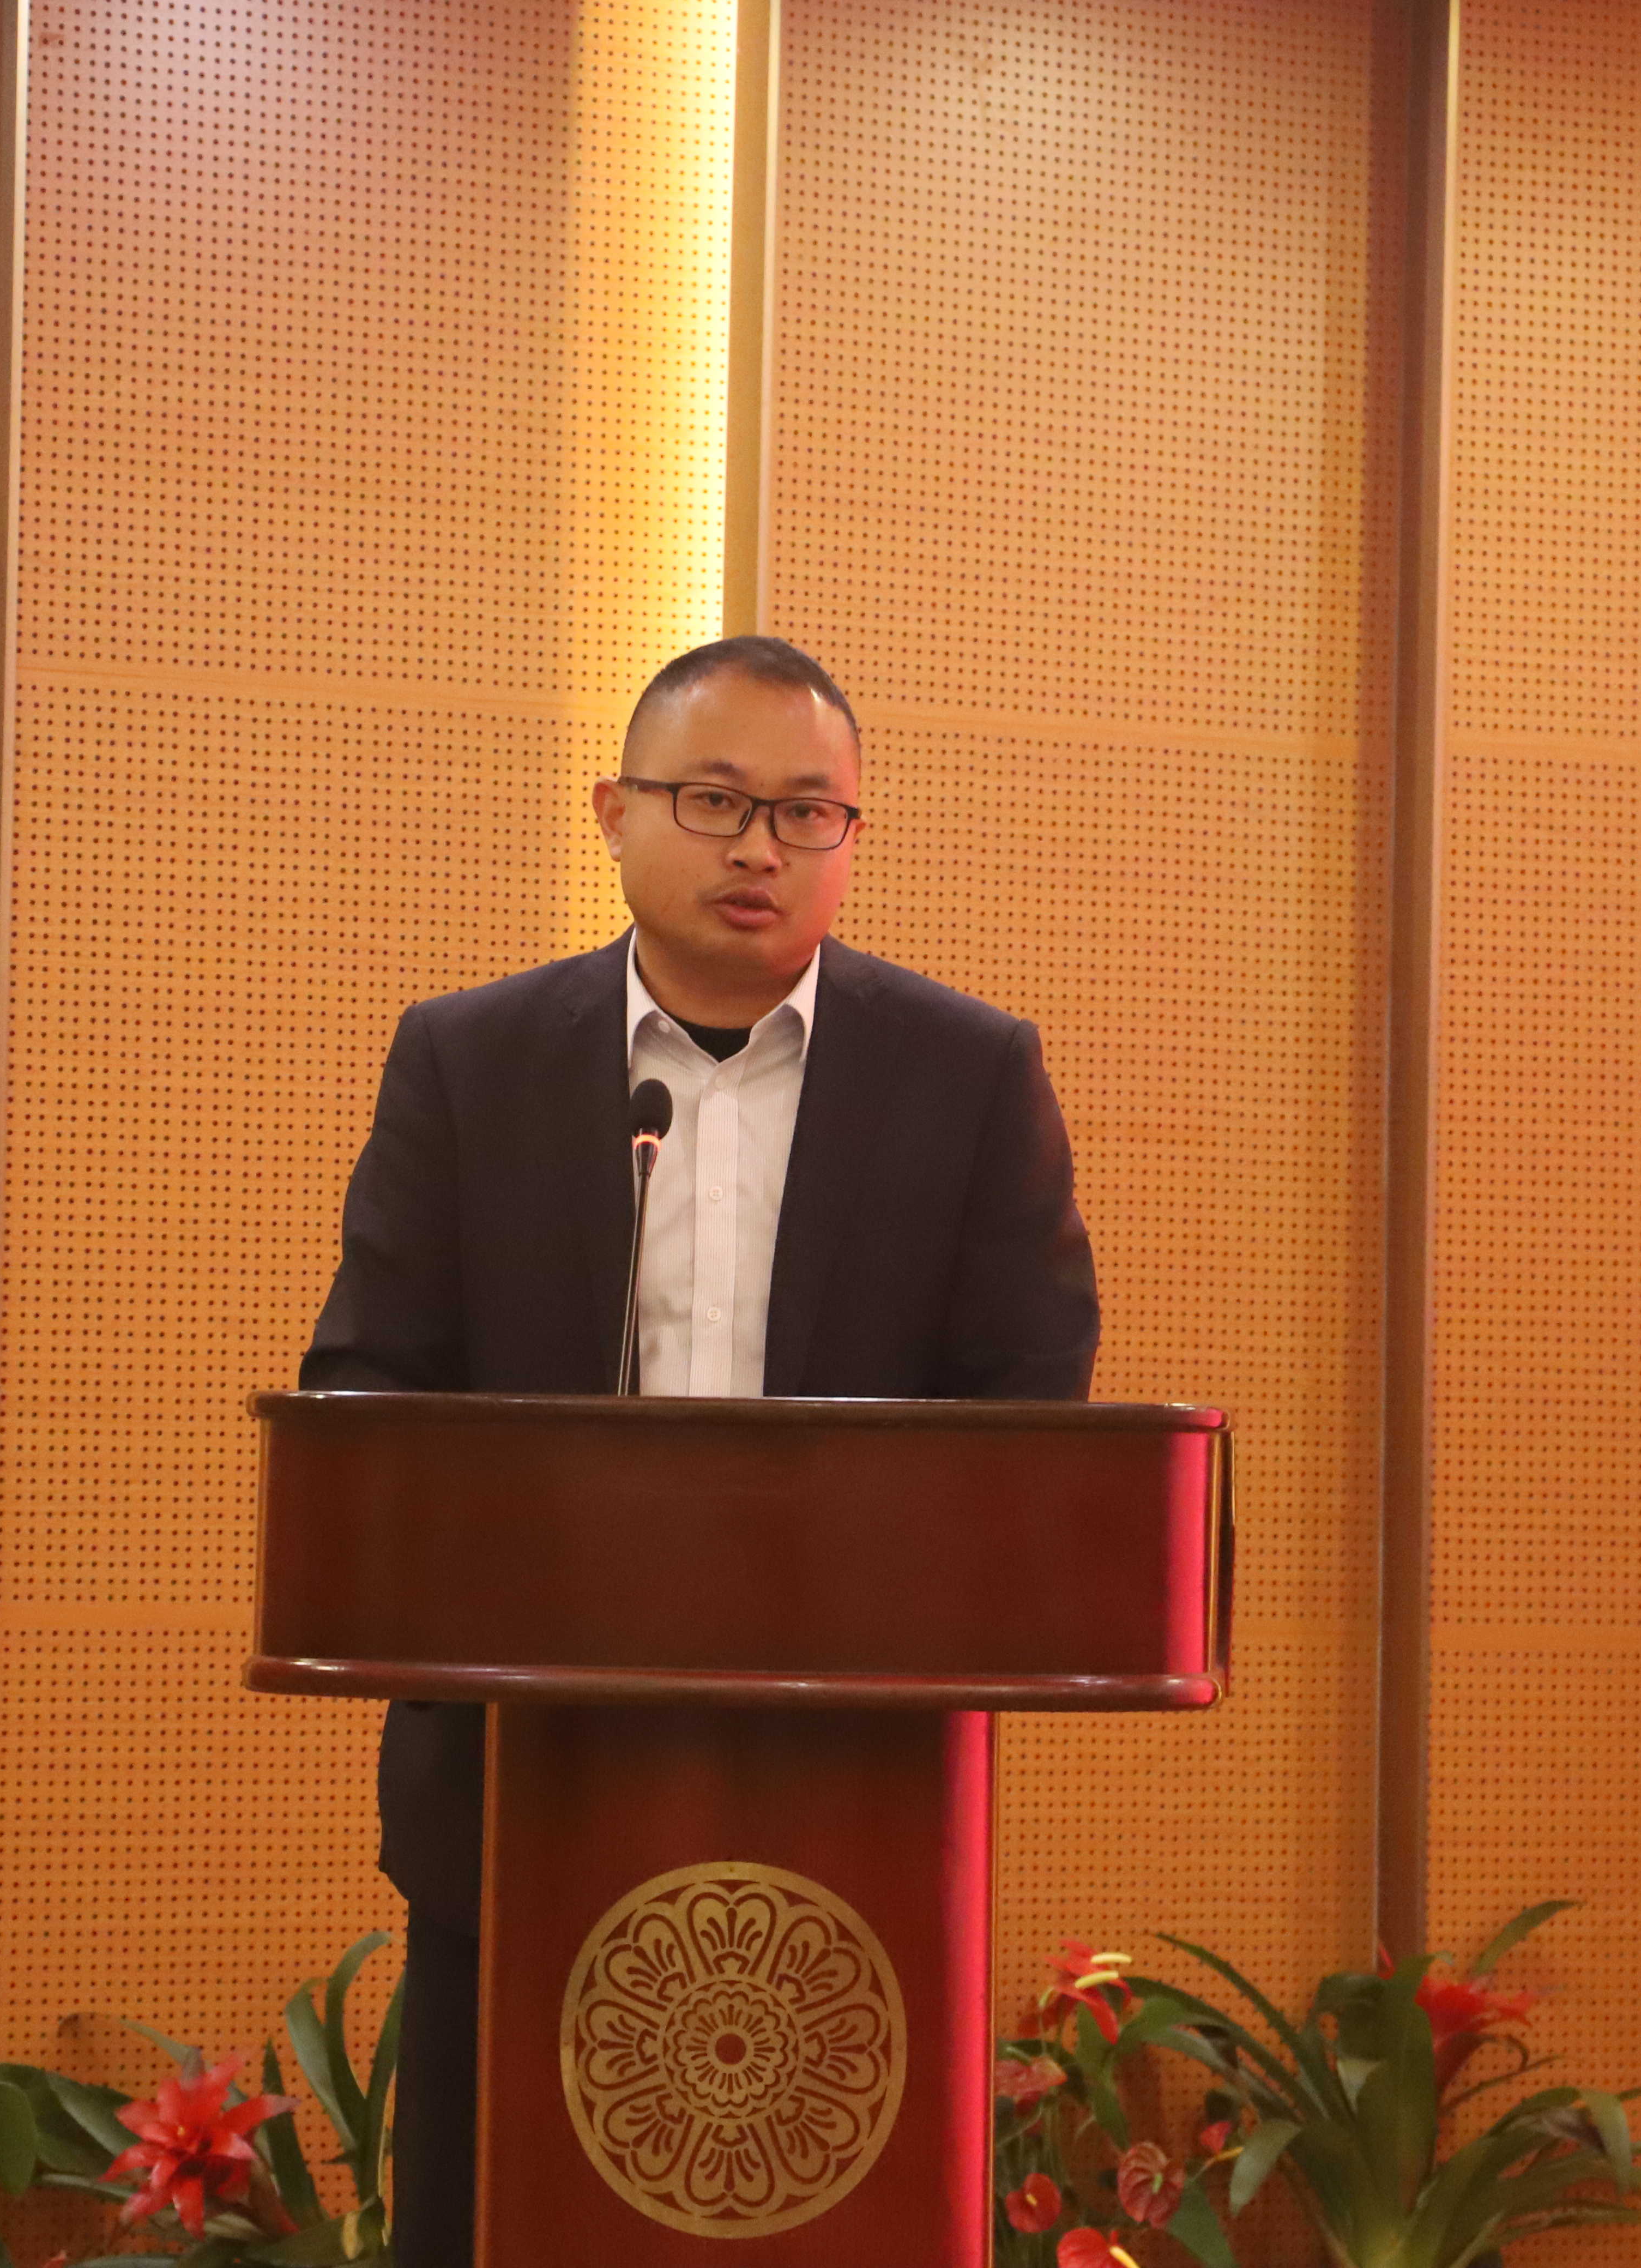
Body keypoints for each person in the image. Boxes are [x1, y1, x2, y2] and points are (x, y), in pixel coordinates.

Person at [297, 634, 1099, 2268]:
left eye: (809, 813)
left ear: (852, 835)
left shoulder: (967, 1074)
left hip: (854, 1791)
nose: (760, 849)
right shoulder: (471, 1061)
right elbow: (372, 1391)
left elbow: (1029, 1418)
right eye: (715, 800)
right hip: (522, 1777)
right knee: (495, 2216)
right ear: (614, 811)